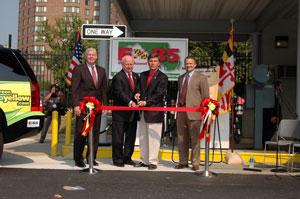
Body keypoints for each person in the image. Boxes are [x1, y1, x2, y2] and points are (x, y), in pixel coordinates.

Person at [71, 48, 108, 168]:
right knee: (81, 133)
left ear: (96, 57)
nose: (91, 56)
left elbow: (103, 90)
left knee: (95, 133)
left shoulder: (101, 70)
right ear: (85, 56)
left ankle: (91, 157)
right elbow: (75, 89)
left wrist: (105, 105)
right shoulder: (78, 69)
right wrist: (76, 105)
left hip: (96, 108)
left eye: (93, 55)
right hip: (83, 107)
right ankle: (78, 158)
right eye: (89, 55)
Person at [175, 56, 209, 171]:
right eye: (186, 63)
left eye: (190, 63)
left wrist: (204, 112)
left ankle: (195, 162)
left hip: (195, 112)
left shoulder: (202, 78)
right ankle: (183, 161)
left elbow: (205, 97)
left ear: (195, 65)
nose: (188, 65)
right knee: (181, 138)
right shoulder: (180, 78)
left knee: (195, 139)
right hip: (181, 112)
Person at [134, 53, 168, 170]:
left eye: (155, 61)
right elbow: (138, 88)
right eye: (151, 61)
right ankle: (144, 160)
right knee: (143, 136)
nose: (152, 63)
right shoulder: (143, 75)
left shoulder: (162, 77)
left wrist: (146, 102)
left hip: (154, 111)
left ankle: (153, 161)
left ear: (159, 63)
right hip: (143, 111)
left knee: (153, 138)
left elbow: (159, 94)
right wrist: (137, 93)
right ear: (147, 62)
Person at [111, 55, 140, 167]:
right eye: (127, 64)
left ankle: (127, 157)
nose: (129, 66)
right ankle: (117, 159)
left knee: (130, 137)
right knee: (118, 138)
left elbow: (137, 89)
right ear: (122, 65)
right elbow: (119, 93)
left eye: (131, 64)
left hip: (132, 113)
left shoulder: (136, 76)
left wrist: (138, 94)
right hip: (120, 113)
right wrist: (129, 102)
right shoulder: (117, 78)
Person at [263, 81, 282, 146]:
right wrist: (271, 117)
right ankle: (263, 143)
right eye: (280, 86)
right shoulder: (270, 95)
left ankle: (265, 142)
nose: (282, 88)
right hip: (269, 118)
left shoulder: (276, 95)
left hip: (274, 118)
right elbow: (268, 107)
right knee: (267, 132)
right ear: (277, 87)